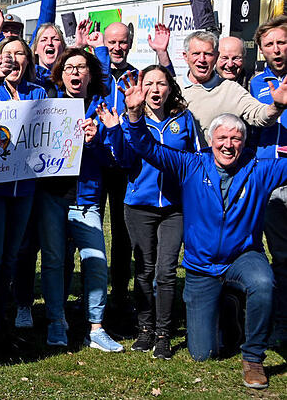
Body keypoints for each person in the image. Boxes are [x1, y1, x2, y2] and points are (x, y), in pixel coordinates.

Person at [121, 69, 287, 389]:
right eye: (221, 138)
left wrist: (279, 108)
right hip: (200, 266)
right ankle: (228, 304)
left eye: (235, 139)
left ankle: (253, 357)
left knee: (263, 281)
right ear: (210, 140)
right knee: (202, 354)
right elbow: (146, 147)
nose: (228, 145)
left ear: (244, 142)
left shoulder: (259, 171)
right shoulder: (191, 165)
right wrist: (134, 113)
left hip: (243, 256)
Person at [97, 65, 199, 359]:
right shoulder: (134, 120)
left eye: (161, 84)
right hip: (139, 205)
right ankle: (145, 329)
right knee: (143, 270)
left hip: (174, 208)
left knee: (166, 271)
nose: (155, 89)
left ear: (170, 88)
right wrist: (119, 128)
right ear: (141, 88)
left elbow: (196, 159)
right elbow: (125, 160)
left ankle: (164, 334)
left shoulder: (184, 119)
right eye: (150, 84)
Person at [38, 47, 123, 353]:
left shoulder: (102, 108)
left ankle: (96, 327)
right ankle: (56, 322)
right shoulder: (48, 106)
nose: (75, 72)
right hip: (52, 197)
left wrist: (96, 140)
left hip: (86, 198)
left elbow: (115, 160)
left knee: (96, 262)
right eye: (69, 67)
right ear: (60, 76)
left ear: (90, 74)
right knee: (54, 261)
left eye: (81, 67)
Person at [0, 37, 46, 341]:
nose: (13, 59)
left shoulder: (38, 93)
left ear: (28, 60)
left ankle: (2, 312)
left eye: (19, 54)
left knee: (12, 255)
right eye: (6, 54)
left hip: (25, 188)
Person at [248, 16, 287, 346]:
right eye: (269, 44)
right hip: (265, 178)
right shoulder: (256, 82)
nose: (276, 49)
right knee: (265, 252)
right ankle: (273, 322)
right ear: (261, 50)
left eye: (281, 42)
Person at [180, 30, 283, 143]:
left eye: (208, 54)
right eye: (196, 53)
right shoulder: (172, 88)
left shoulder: (231, 89)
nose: (202, 59)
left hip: (211, 159)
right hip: (177, 160)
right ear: (185, 56)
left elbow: (259, 115)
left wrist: (277, 106)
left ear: (215, 57)